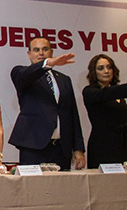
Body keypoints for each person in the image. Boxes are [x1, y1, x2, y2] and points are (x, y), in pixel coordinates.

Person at [9, 37, 85, 170]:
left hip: (61, 149)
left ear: (51, 52)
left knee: (63, 183)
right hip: (33, 147)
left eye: (45, 49)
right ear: (29, 54)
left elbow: (72, 113)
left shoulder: (64, 80)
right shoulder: (21, 73)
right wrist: (47, 63)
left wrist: (78, 148)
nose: (41, 53)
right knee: (33, 184)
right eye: (36, 50)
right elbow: (24, 76)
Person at [82, 54, 127, 168]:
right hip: (102, 145)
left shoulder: (119, 96)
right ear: (94, 72)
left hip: (122, 144)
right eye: (100, 68)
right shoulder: (90, 92)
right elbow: (107, 93)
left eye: (109, 67)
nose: (106, 71)